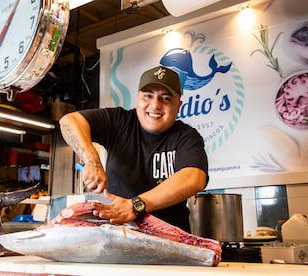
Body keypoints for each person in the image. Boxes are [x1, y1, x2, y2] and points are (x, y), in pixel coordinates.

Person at [59, 65, 209, 232]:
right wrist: (91, 160)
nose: (155, 105)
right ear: (138, 98)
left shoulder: (186, 136)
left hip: (171, 241)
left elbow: (194, 178)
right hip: (118, 236)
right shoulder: (119, 121)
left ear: (178, 105)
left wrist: (136, 205)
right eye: (148, 96)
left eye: (165, 98)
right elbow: (69, 121)